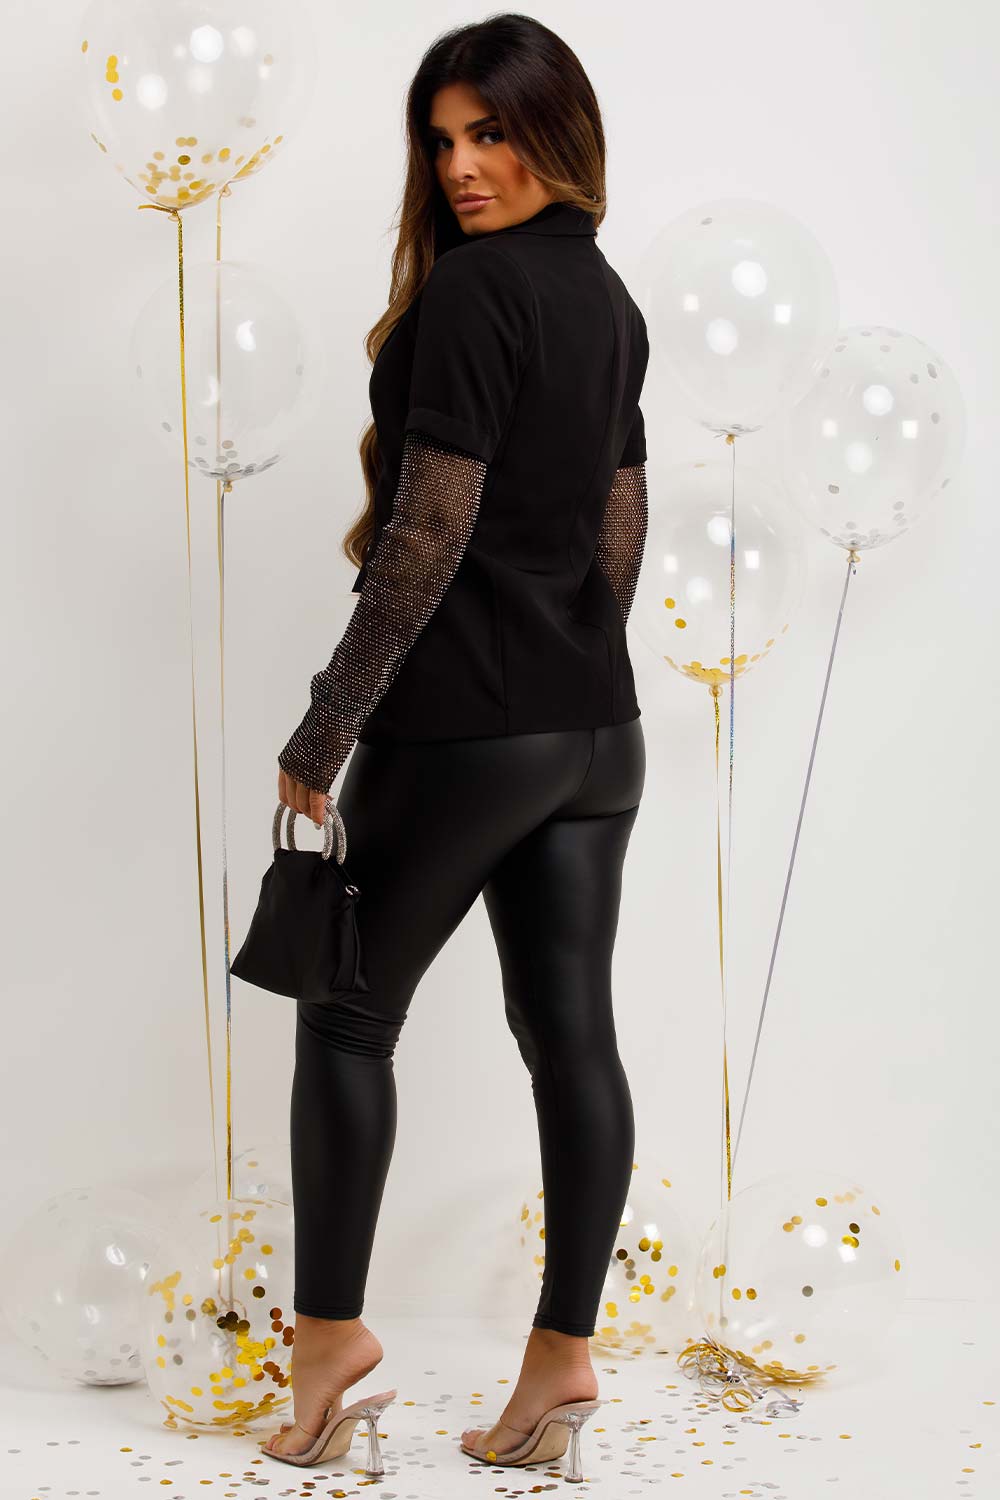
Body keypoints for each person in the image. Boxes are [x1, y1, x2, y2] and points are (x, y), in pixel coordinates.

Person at [264, 12, 650, 1477]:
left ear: (558, 133)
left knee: (346, 1014)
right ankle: (561, 1362)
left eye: (491, 134)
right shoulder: (609, 298)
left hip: (468, 727)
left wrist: (329, 723)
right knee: (571, 1036)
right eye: (441, 142)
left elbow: (427, 533)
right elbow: (620, 520)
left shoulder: (478, 293)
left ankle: (327, 1348)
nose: (463, 167)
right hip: (596, 733)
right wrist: (571, 660)